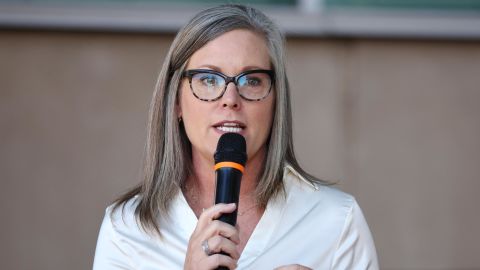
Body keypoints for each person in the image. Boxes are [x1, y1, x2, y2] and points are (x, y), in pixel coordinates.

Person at [93, 4, 378, 270]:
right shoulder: (126, 229)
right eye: (208, 79)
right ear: (176, 101)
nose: (230, 99)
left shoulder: (336, 222)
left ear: (276, 102)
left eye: (252, 80)